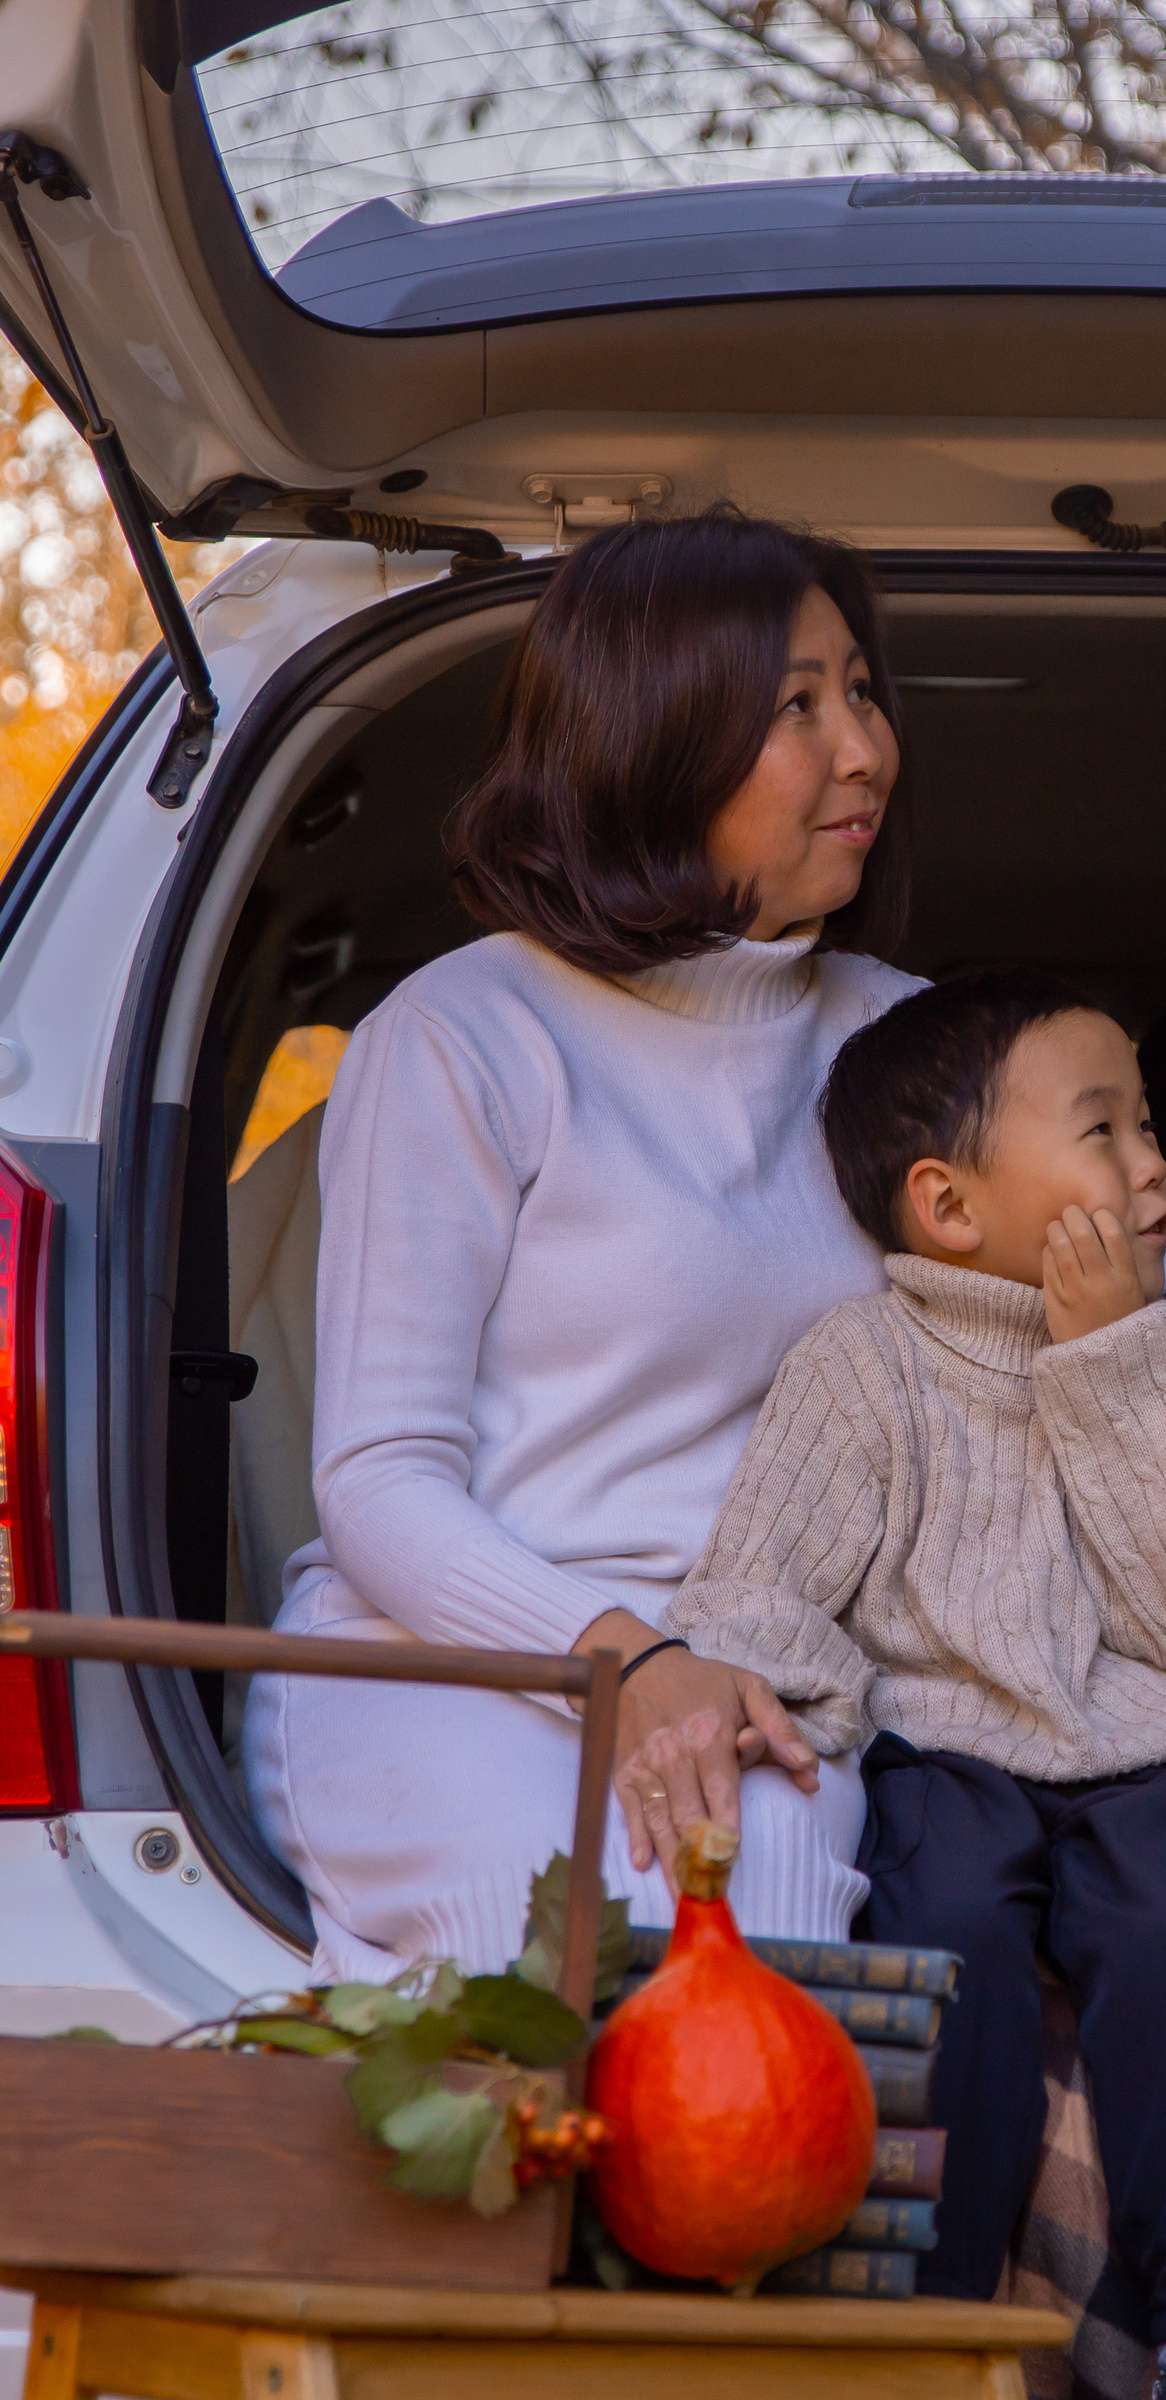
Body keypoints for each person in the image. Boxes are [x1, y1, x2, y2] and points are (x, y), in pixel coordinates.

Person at [244, 510, 920, 1979]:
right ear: (654, 739)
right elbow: (377, 1480)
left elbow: (1120, 1304)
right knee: (548, 1968)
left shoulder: (903, 1038)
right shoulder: (464, 1035)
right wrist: (627, 1658)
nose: (863, 748)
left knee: (758, 1989)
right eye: (796, 707)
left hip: (751, 1675)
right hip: (446, 1660)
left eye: (861, 691)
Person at [665, 971, 1166, 2400]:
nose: (1152, 1167)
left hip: (1145, 1754)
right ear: (951, 1209)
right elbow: (762, 1587)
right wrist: (802, 1698)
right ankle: (931, 2320)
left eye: (1150, 1126)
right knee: (947, 1944)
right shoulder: (864, 1366)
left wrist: (1114, 1361)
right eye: (1101, 1131)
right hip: (941, 1750)